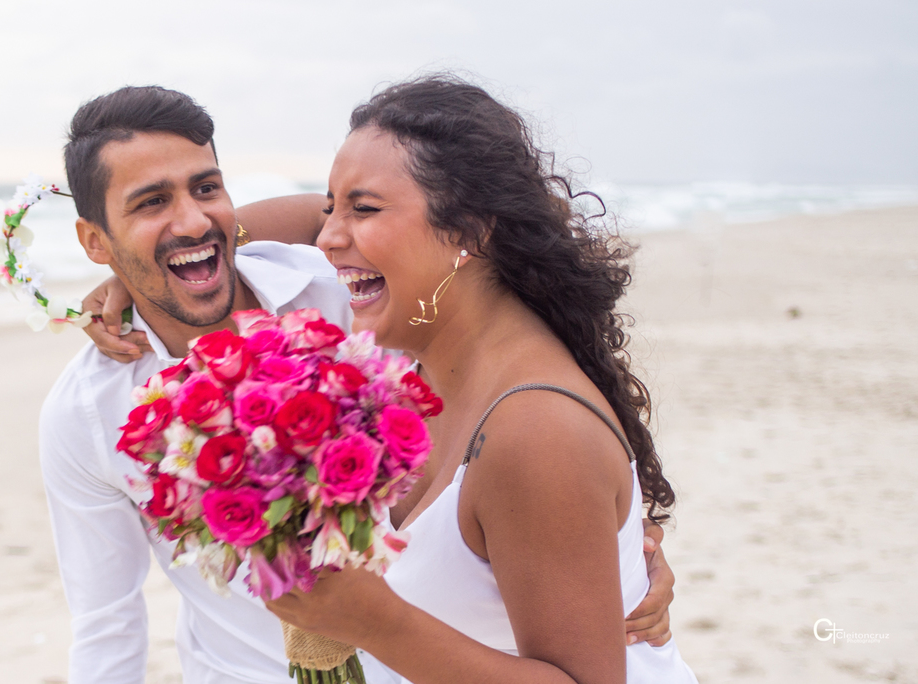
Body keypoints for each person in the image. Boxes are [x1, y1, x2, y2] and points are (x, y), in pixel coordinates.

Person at [41, 84, 676, 684]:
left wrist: (613, 545)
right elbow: (106, 624)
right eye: (150, 202)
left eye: (207, 188)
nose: (327, 240)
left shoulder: (347, 306)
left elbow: (542, 460)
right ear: (95, 240)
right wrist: (135, 265)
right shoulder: (413, 346)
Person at [257, 76, 697, 683]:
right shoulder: (418, 374)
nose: (328, 238)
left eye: (363, 209)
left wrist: (375, 623)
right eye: (332, 208)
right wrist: (126, 274)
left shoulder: (535, 430)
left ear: (470, 229)